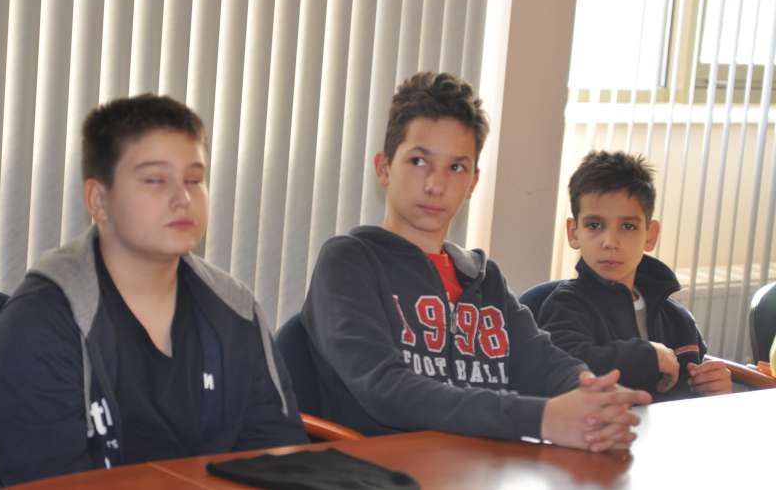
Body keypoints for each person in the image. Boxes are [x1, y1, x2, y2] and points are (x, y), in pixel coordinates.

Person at [302, 72, 651, 452]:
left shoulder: (484, 280)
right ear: (384, 167)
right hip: (382, 467)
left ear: (473, 182)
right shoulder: (349, 263)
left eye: (456, 168)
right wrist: (541, 418)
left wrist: (595, 397)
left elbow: (542, 361)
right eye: (419, 161)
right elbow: (387, 388)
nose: (436, 185)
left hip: (483, 466)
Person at [0, 95, 307, 487]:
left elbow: (278, 455)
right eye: (155, 180)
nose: (183, 198)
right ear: (99, 200)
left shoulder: (235, 309)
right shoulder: (39, 324)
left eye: (194, 180)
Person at [537, 150, 731, 399]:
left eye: (628, 226)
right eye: (594, 225)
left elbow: (690, 388)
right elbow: (562, 370)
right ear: (574, 233)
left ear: (650, 235)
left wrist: (711, 385)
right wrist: (647, 356)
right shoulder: (565, 306)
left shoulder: (677, 319)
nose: (610, 242)